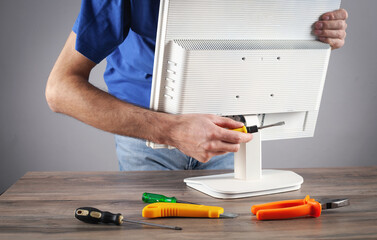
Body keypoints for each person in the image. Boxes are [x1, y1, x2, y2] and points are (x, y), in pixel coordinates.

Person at [46, 1, 348, 171]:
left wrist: (313, 37)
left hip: (227, 136)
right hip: (147, 144)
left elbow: (261, 49)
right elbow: (60, 89)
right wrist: (172, 130)